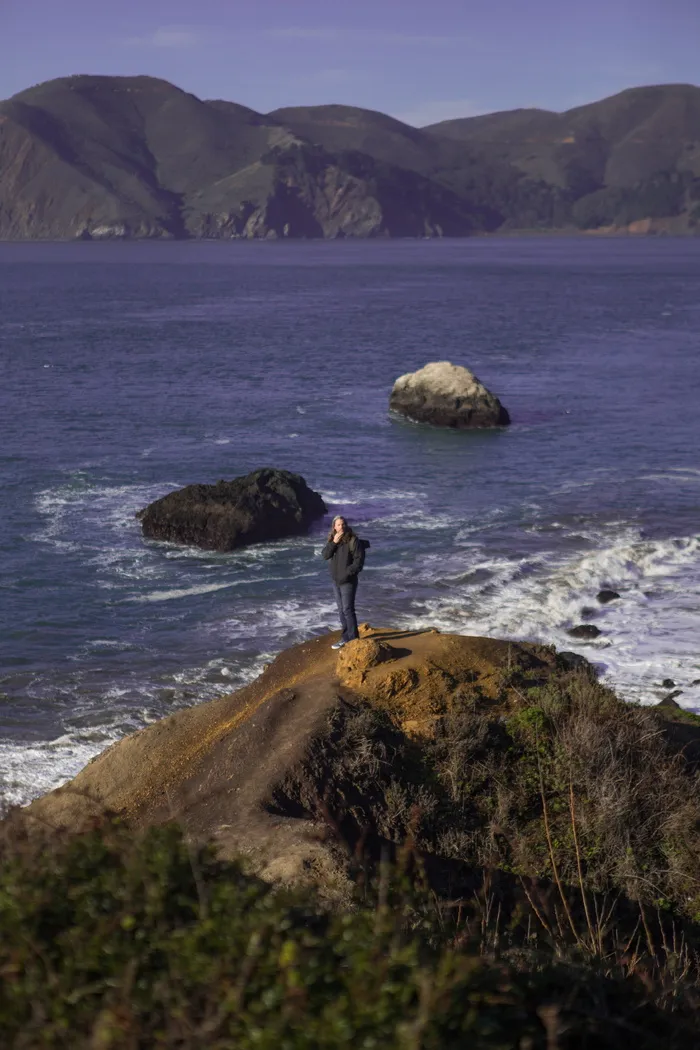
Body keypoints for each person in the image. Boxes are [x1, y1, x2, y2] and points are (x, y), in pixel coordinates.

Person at [321, 514, 366, 649]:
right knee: (341, 610)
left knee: (348, 609)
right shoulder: (332, 540)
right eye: (339, 524)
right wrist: (333, 542)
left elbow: (359, 561)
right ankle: (346, 637)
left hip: (348, 581)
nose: (341, 527)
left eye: (343, 524)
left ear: (346, 526)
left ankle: (353, 638)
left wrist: (347, 573)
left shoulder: (353, 540)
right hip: (336, 582)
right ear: (334, 527)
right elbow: (325, 555)